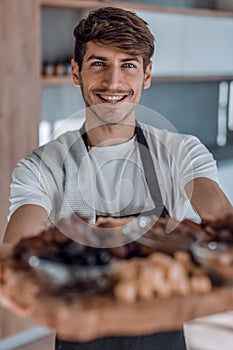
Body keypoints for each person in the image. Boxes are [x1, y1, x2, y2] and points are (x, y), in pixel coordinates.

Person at [2, 6, 232, 350]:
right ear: (76, 72)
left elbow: (218, 215)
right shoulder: (42, 166)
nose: (113, 82)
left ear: (147, 74)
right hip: (80, 337)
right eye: (99, 64)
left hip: (165, 339)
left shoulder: (182, 151)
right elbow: (18, 242)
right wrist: (12, 276)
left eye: (128, 65)